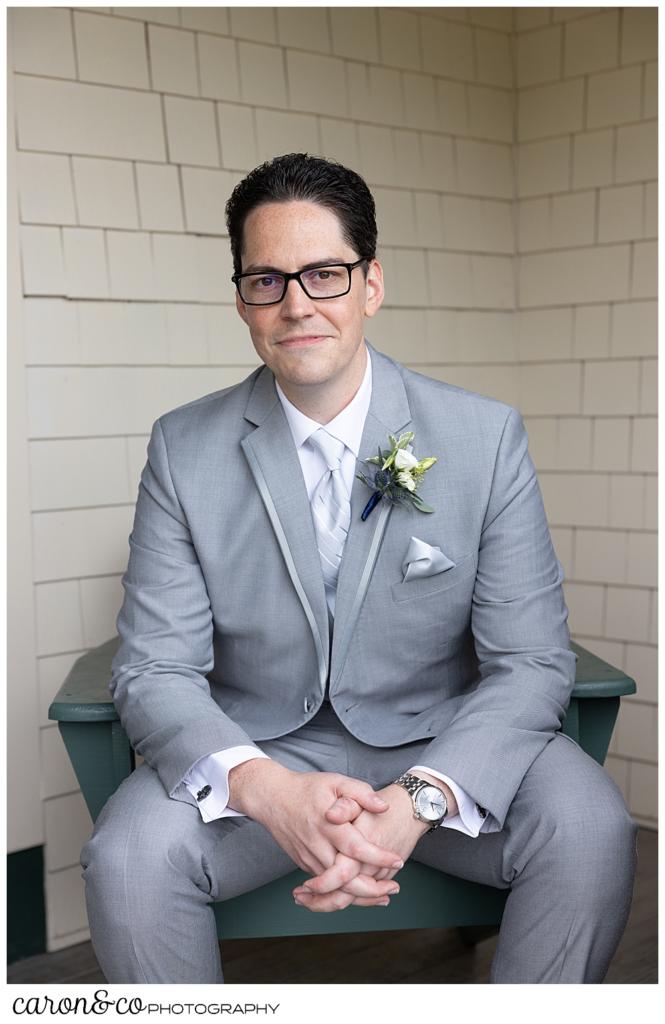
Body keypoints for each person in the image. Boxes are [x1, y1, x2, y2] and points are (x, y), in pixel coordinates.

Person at [81, 153, 636, 984]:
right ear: (241, 300)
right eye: (266, 280)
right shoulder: (182, 446)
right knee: (127, 859)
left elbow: (531, 661)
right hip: (262, 751)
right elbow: (155, 666)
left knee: (588, 826)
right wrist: (267, 790)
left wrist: (419, 799)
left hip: (443, 744)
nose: (296, 303)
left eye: (324, 274)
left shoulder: (483, 437)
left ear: (370, 284)